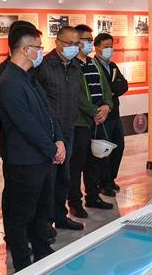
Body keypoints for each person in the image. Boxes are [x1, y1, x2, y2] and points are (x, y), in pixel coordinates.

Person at [0, 23, 65, 271]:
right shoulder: (9, 82)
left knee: (40, 211)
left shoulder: (29, 77)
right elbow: (26, 125)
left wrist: (59, 140)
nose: (41, 52)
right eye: (38, 47)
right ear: (25, 49)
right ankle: (22, 262)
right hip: (24, 161)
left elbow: (48, 113)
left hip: (41, 159)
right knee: (21, 215)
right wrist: (52, 149)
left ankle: (42, 250)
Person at [33, 25, 85, 229]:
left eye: (76, 44)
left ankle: (60, 216)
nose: (73, 47)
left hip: (68, 130)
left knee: (64, 177)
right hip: (49, 134)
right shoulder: (44, 66)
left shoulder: (76, 67)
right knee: (49, 179)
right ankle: (45, 222)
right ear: (57, 43)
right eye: (69, 43)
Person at [71, 25, 114, 213]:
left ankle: (93, 196)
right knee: (77, 165)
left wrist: (107, 106)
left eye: (91, 39)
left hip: (98, 120)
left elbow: (106, 88)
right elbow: (77, 95)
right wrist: (94, 112)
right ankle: (75, 203)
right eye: (86, 40)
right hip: (81, 122)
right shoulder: (72, 65)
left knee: (95, 161)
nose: (90, 43)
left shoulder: (93, 63)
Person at [93, 32, 128, 194]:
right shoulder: (93, 66)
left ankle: (111, 178)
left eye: (111, 46)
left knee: (118, 146)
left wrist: (111, 90)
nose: (109, 49)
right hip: (102, 114)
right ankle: (103, 183)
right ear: (97, 48)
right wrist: (112, 89)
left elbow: (124, 85)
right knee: (103, 149)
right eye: (105, 46)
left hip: (114, 113)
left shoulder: (112, 66)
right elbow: (101, 89)